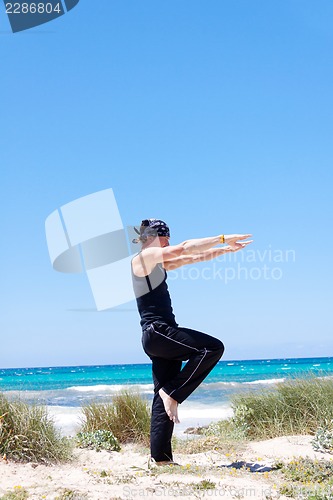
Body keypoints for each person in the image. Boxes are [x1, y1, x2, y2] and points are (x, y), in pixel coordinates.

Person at [131, 218, 252, 465]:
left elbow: (191, 257)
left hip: (161, 336)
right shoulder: (143, 258)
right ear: (154, 237)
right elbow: (184, 248)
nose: (169, 242)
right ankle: (172, 392)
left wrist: (222, 250)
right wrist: (222, 237)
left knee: (162, 395)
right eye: (166, 237)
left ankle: (161, 459)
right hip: (158, 332)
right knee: (212, 347)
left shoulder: (158, 263)